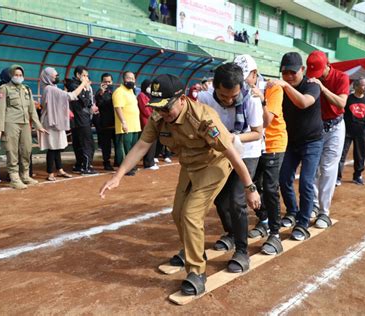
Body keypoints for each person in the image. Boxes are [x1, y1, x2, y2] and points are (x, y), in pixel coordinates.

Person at [99, 74, 260, 296]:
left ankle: (196, 272)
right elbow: (141, 146)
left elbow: (231, 154)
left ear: (182, 99)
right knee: (177, 213)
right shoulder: (159, 118)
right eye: (158, 108)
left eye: (167, 107)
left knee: (191, 215)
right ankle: (193, 250)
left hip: (214, 165)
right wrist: (118, 176)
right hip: (190, 166)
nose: (163, 113)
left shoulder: (203, 118)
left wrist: (250, 188)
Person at [198, 58, 263, 272]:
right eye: (223, 96)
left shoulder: (250, 99)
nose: (228, 101)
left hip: (247, 152)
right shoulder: (205, 98)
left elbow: (257, 133)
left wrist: (231, 138)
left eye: (233, 96)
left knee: (237, 201)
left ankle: (242, 251)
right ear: (214, 86)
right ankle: (233, 234)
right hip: (220, 153)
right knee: (219, 199)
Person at [272, 52, 323, 241]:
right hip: (291, 141)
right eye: (284, 73)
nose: (289, 76)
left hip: (312, 141)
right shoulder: (282, 87)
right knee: (284, 178)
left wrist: (284, 85)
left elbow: (303, 103)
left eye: (293, 72)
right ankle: (292, 211)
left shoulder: (312, 85)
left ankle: (302, 223)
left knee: (306, 182)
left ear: (302, 70)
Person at [306, 50, 349, 229]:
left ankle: (324, 212)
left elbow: (341, 103)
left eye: (319, 72)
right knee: (313, 168)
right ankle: (314, 205)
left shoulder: (341, 77)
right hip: (317, 127)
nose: (316, 77)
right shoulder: (309, 77)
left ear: (327, 64)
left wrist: (322, 88)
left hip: (335, 127)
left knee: (328, 168)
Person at [248, 74, 287, 255]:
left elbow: (267, 121)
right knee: (253, 185)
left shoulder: (273, 88)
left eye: (245, 74)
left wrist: (262, 99)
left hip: (273, 142)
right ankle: (263, 220)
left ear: (254, 74)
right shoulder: (240, 89)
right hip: (254, 144)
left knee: (270, 188)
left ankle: (275, 233)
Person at [0, 64, 47, 189]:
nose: (18, 77)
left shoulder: (26, 89)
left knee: (26, 150)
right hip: (10, 123)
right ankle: (14, 177)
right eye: (16, 75)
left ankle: (25, 175)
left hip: (25, 124)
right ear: (11, 76)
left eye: (20, 75)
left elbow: (32, 110)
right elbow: (1, 110)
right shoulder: (4, 88)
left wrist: (38, 125)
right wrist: (0, 129)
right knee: (12, 151)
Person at [39, 67, 88, 181]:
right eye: (54, 76)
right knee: (52, 147)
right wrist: (82, 84)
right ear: (48, 77)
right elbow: (70, 96)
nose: (57, 77)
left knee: (58, 147)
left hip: (56, 121)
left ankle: (59, 169)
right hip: (51, 122)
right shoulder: (50, 89)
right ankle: (50, 172)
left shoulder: (52, 88)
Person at [337, 77, 365, 186]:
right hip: (347, 131)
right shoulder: (348, 99)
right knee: (341, 154)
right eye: (363, 85)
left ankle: (358, 176)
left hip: (362, 131)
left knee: (360, 154)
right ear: (356, 86)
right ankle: (337, 177)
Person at [66, 66, 97, 175]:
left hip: (80, 119)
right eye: (84, 75)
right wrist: (86, 88)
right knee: (86, 143)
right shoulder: (74, 85)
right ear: (78, 75)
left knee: (79, 143)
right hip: (80, 119)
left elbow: (88, 103)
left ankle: (79, 165)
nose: (86, 78)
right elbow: (85, 102)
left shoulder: (77, 85)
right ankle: (86, 166)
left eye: (87, 76)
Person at [112, 71, 141, 175]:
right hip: (125, 126)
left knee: (133, 148)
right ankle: (124, 168)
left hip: (135, 126)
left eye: (133, 79)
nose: (131, 81)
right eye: (129, 78)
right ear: (123, 79)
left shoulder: (131, 92)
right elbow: (118, 108)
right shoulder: (119, 91)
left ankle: (131, 166)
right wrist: (123, 122)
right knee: (124, 148)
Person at [95, 73, 118, 170]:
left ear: (112, 81)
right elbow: (99, 103)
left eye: (109, 81)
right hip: (105, 124)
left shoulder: (116, 92)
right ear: (101, 82)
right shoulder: (99, 93)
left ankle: (118, 161)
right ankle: (106, 162)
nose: (107, 83)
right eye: (105, 81)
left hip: (116, 123)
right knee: (106, 146)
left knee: (118, 144)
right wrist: (102, 92)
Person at [137, 79, 158, 170]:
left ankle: (151, 161)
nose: (150, 88)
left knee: (153, 142)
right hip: (146, 121)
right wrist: (155, 115)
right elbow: (145, 110)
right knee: (149, 142)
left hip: (152, 121)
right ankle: (148, 163)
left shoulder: (149, 96)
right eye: (149, 86)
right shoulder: (141, 95)